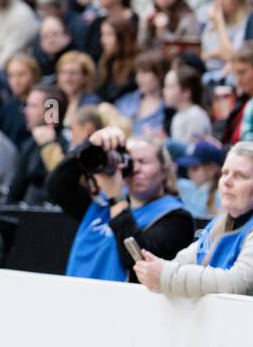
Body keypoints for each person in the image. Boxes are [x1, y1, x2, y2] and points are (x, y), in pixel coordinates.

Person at [47, 126, 194, 283]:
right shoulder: (101, 206)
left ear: (164, 170)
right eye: (129, 162)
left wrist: (116, 197)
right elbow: (57, 187)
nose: (135, 169)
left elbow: (134, 258)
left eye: (143, 162)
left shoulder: (177, 218)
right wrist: (90, 145)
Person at [134, 142, 253, 296]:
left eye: (240, 176)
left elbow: (236, 283)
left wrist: (165, 274)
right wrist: (156, 268)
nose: (227, 181)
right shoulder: (216, 225)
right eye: (225, 173)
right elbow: (185, 260)